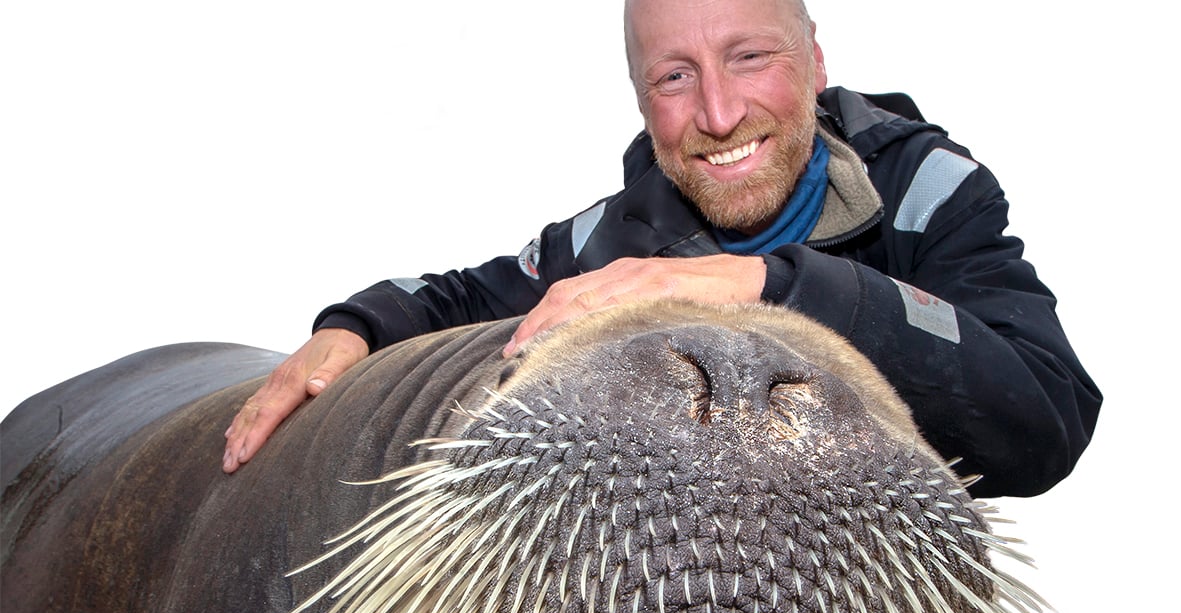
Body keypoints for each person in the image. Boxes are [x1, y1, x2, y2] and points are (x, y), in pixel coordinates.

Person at [223, 0, 1101, 500]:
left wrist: (761, 283)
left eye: (749, 56)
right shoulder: (612, 238)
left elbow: (1045, 413)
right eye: (673, 76)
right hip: (666, 590)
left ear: (815, 62)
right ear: (642, 100)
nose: (717, 115)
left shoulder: (927, 189)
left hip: (871, 584)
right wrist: (353, 328)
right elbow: (453, 298)